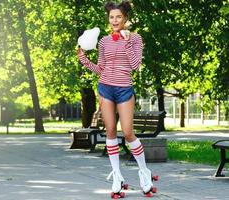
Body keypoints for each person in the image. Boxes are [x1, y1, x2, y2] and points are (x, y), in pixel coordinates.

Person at [77, 1, 156, 198]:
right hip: (105, 88)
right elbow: (101, 68)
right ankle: (117, 178)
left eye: (118, 17)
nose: (114, 20)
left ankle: (144, 173)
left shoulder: (136, 38)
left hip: (124, 89)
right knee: (110, 131)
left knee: (128, 133)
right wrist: (84, 60)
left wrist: (126, 40)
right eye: (111, 17)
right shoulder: (103, 41)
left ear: (125, 18)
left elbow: (135, 64)